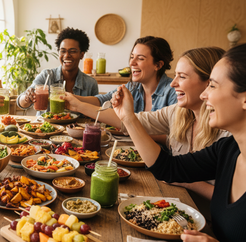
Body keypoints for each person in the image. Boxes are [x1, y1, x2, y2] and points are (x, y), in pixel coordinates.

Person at [112, 42, 246, 242]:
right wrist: (129, 119)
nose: (205, 95)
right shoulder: (228, 150)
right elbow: (169, 169)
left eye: (213, 86)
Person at [64, 47, 230, 205]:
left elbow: (231, 198)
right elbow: (132, 121)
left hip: (205, 219)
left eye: (182, 77)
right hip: (173, 199)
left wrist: (185, 180)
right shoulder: (178, 112)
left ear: (209, 83)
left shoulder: (227, 134)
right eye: (175, 76)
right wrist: (77, 105)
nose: (173, 84)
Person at [75, 36, 177, 113]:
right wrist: (72, 98)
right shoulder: (132, 87)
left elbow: (173, 135)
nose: (132, 63)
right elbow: (103, 100)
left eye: (140, 58)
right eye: (132, 57)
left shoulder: (173, 92)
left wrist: (127, 125)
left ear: (158, 65)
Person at [17, 27, 99, 116]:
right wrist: (27, 98)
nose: (67, 55)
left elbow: (96, 113)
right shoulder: (46, 75)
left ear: (81, 55)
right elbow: (21, 103)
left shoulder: (90, 83)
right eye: (63, 51)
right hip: (46, 127)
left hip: (77, 129)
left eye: (72, 51)